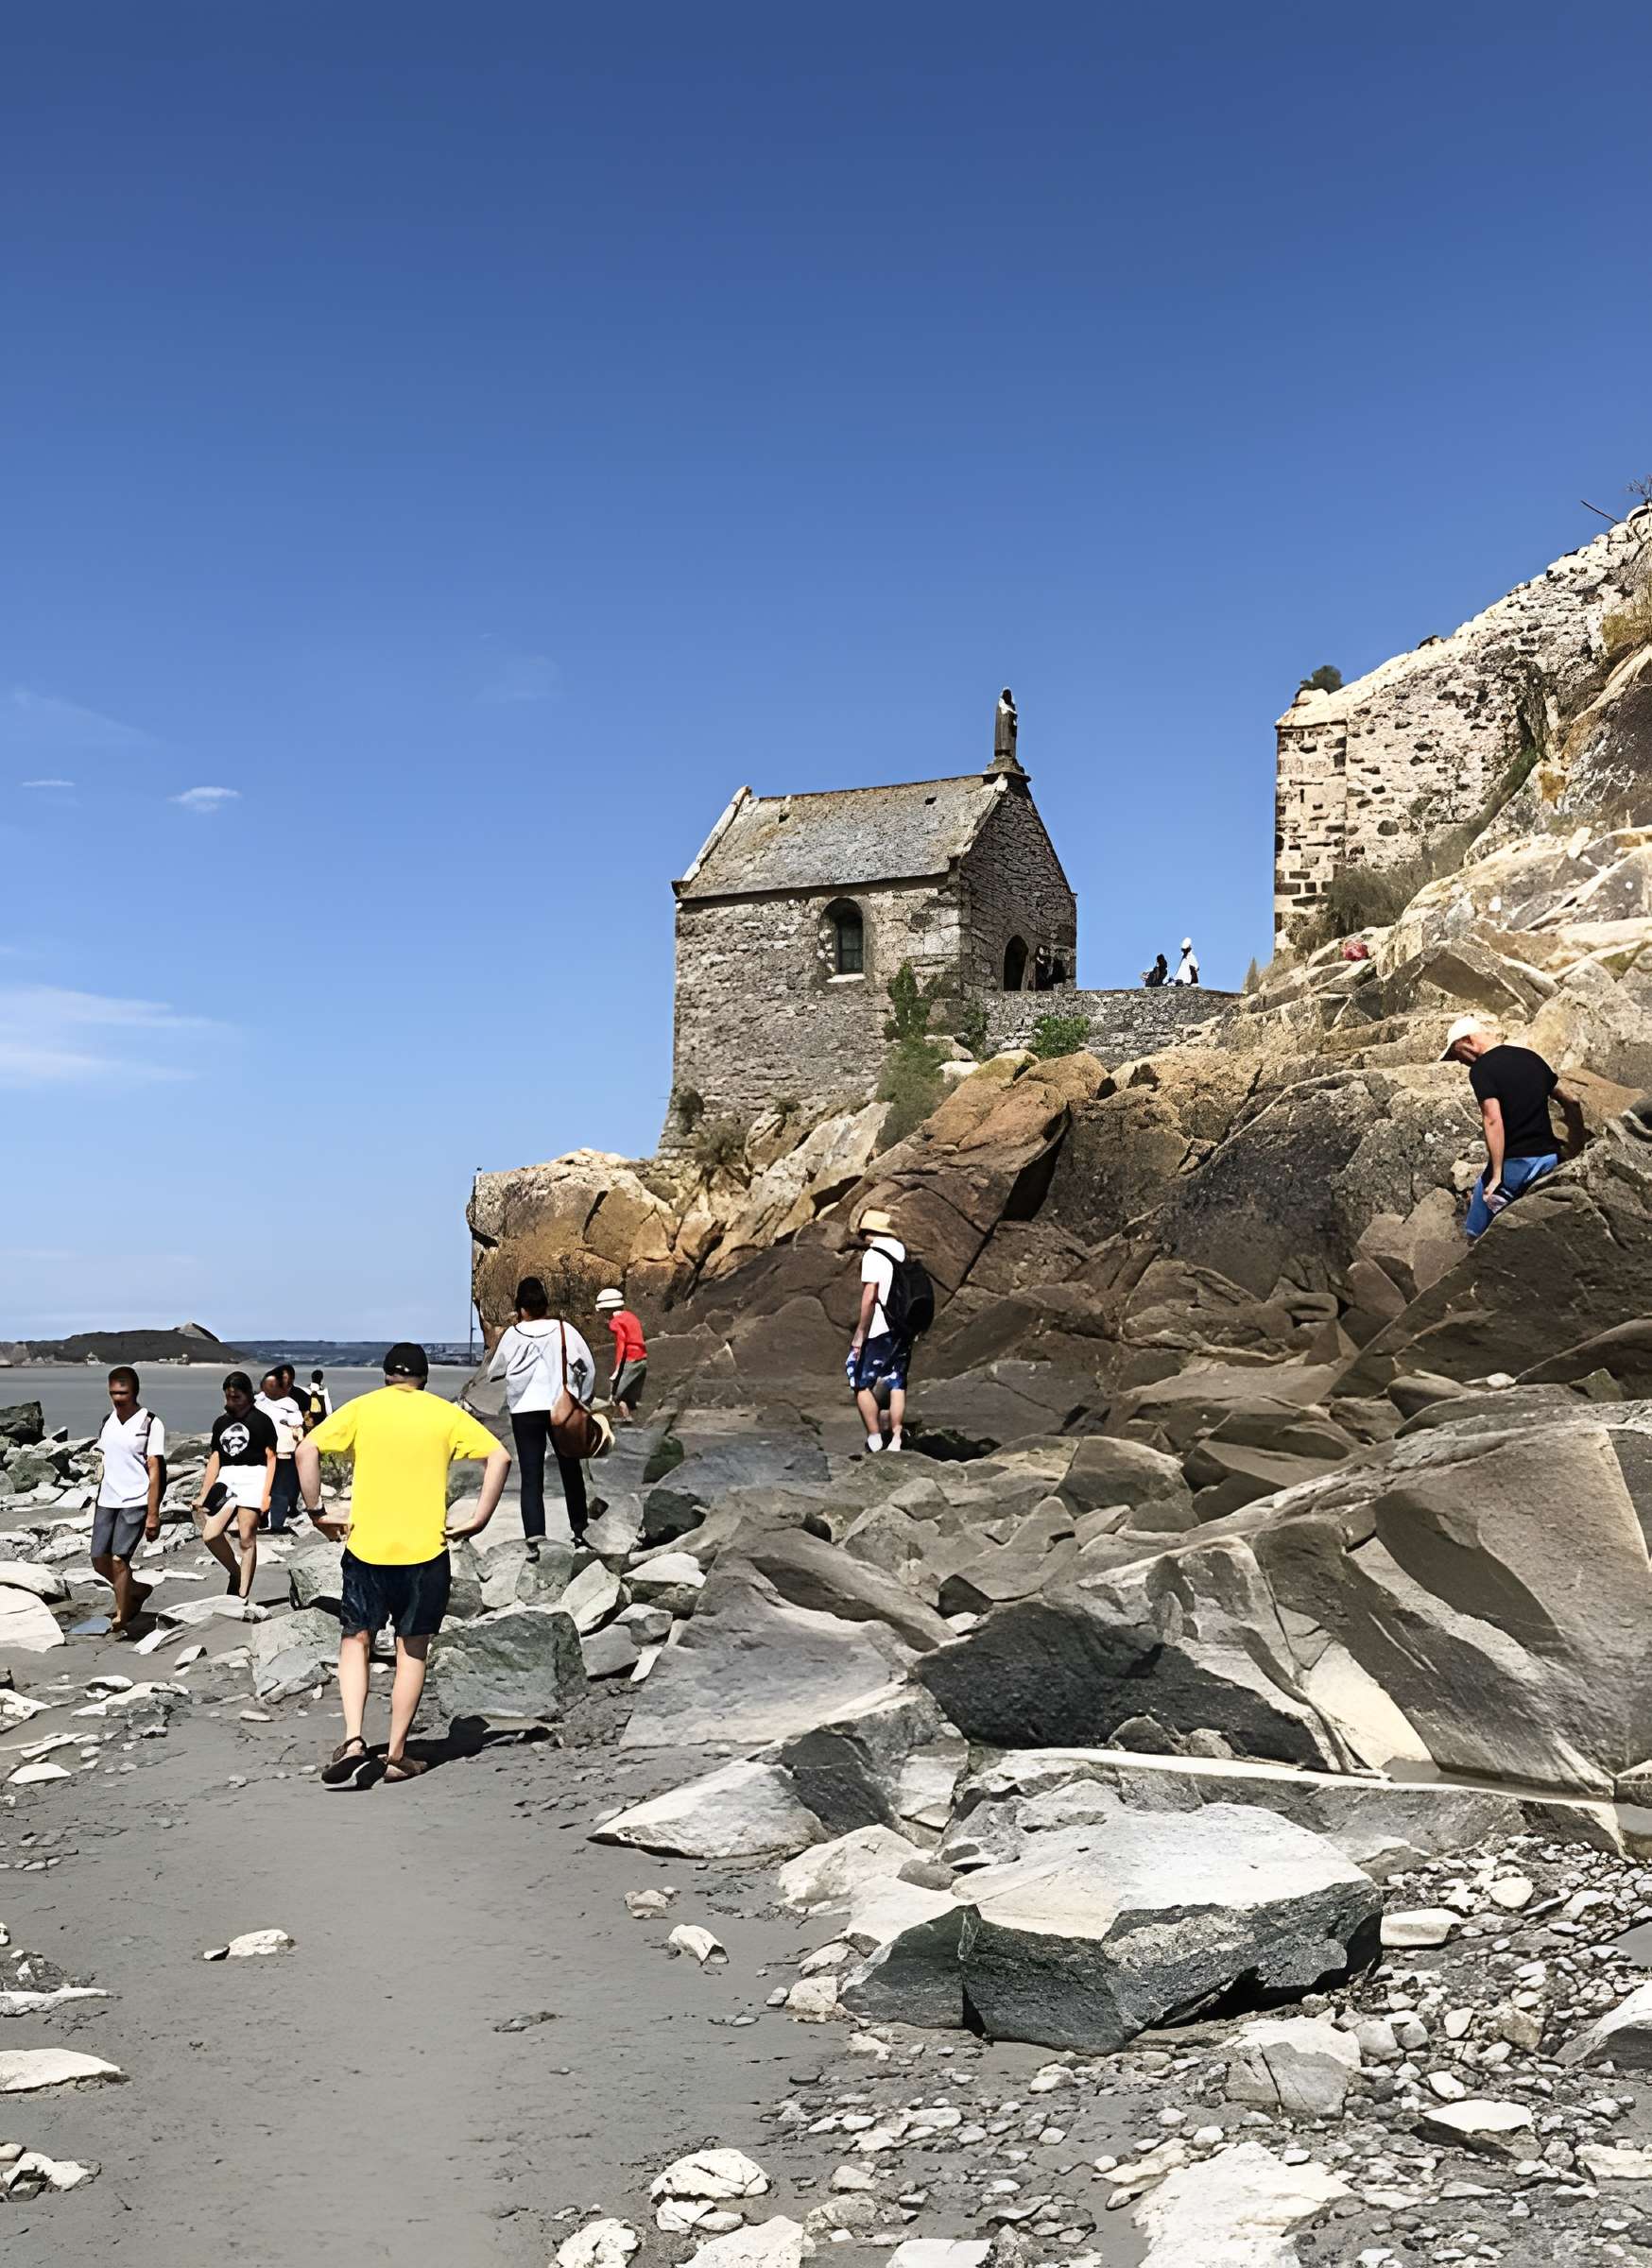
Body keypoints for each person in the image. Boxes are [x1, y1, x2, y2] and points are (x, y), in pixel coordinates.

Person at [296, 1342, 509, 1790]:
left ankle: (354, 1740)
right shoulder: (444, 1414)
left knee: (355, 1639)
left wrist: (317, 1512)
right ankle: (396, 1754)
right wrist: (478, 1518)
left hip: (367, 1548)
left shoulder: (363, 1409)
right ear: (424, 1378)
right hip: (425, 1552)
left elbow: (305, 1451)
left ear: (386, 1376)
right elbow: (499, 1457)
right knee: (412, 1650)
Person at [1440, 1014, 1586, 1239]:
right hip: (1548, 1159)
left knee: (1475, 1229)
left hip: (1516, 1164)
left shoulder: (1481, 1070)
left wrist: (1497, 1175)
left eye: (1455, 1054)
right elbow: (1572, 1101)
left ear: (1468, 1041)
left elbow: (1492, 1119)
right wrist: (1577, 1148)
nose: (1459, 1061)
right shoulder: (1530, 1058)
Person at [485, 1279, 598, 1555]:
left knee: (531, 1474)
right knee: (570, 1470)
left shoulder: (513, 1335)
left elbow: (493, 1371)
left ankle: (535, 1536)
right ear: (545, 1304)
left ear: (521, 1308)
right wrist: (582, 1398)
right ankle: (580, 1530)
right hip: (560, 1407)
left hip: (524, 1410)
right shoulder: (563, 1330)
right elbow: (587, 1366)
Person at [91, 1366, 165, 1636]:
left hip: (136, 1498)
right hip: (107, 1498)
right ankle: (136, 1590)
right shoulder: (107, 1421)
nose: (117, 1398)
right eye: (113, 1393)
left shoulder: (150, 1423)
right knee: (99, 1560)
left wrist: (153, 1514)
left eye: (122, 1393)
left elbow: (155, 1469)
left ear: (134, 1391)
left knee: (120, 1560)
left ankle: (123, 1614)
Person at [197, 1372, 277, 1601]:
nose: (231, 1402)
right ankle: (235, 1572)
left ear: (248, 1396)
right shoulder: (221, 1423)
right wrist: (205, 1492)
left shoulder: (261, 1421)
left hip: (255, 1476)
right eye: (228, 1397)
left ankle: (241, 1597)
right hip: (228, 1477)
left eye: (237, 1398)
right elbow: (215, 1458)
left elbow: (271, 1458)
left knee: (246, 1537)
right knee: (210, 1534)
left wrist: (267, 1495)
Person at [847, 1208, 912, 1454]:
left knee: (859, 1379)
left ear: (867, 1232)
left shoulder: (873, 1256)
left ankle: (875, 1437)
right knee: (896, 1382)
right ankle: (896, 1438)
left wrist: (860, 1333)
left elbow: (870, 1297)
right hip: (902, 1327)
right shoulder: (900, 1250)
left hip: (879, 1329)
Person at [255, 1368, 305, 1534]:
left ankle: (272, 1522)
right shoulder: (260, 1402)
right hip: (272, 1452)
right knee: (275, 1488)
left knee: (275, 1488)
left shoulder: (288, 1405)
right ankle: (269, 1521)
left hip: (279, 1453)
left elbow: (297, 1427)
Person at [595, 1288, 648, 1422]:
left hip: (631, 1358)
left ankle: (624, 1416)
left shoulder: (615, 1322)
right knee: (628, 1390)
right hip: (642, 1357)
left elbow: (621, 1345)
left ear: (607, 1310)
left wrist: (617, 1369)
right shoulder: (631, 1316)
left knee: (617, 1392)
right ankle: (627, 1414)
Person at [302, 1369, 333, 1433]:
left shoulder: (306, 1390)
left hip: (308, 1420)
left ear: (312, 1378)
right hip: (320, 1420)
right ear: (321, 1379)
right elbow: (328, 1409)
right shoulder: (323, 1391)